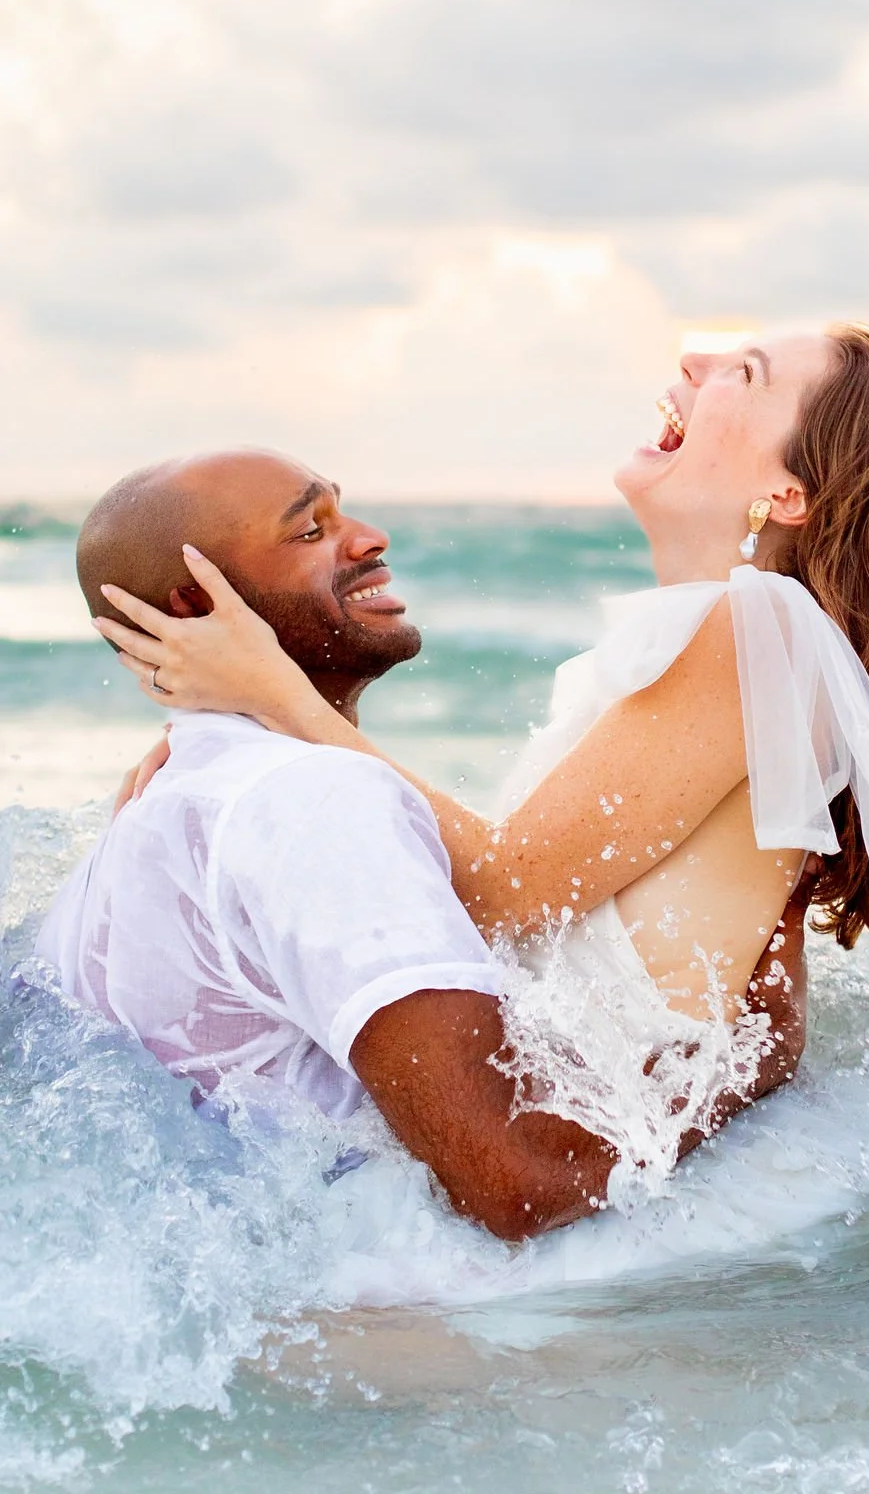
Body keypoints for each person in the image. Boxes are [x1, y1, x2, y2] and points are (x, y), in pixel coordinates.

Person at [36, 449, 808, 1245]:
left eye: (345, 511)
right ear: (201, 606)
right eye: (311, 530)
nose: (372, 538)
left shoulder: (171, 800)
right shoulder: (314, 804)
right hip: (400, 1314)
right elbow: (516, 1185)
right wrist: (749, 1064)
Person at [98, 326, 869, 1023]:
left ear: (790, 494)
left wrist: (273, 694)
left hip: (589, 1141)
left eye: (742, 373)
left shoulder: (757, 631)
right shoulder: (740, 641)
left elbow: (510, 895)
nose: (694, 357)